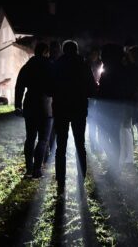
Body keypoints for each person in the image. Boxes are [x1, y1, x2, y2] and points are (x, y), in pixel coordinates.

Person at [52, 40, 97, 193]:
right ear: (76, 50)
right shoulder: (83, 65)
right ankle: (81, 177)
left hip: (60, 108)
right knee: (80, 144)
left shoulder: (57, 65)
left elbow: (49, 88)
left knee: (61, 146)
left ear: (64, 50)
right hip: (78, 108)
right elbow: (92, 89)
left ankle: (60, 180)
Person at [14, 42, 54, 179]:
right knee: (43, 139)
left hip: (30, 105)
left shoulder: (27, 67)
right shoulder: (50, 66)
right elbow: (55, 87)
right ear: (45, 52)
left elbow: (19, 86)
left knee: (30, 138)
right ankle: (37, 169)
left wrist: (17, 105)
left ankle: (29, 169)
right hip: (46, 107)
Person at [96, 43, 130, 177]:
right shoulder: (121, 68)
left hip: (108, 109)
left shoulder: (111, 69)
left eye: (103, 54)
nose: (101, 57)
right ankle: (115, 167)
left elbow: (106, 90)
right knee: (113, 137)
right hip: (116, 108)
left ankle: (114, 167)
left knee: (107, 137)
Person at [44, 40, 62, 163]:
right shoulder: (49, 63)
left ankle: (50, 152)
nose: (55, 51)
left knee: (53, 129)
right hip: (49, 100)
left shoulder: (50, 63)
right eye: (54, 49)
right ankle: (47, 153)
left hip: (56, 100)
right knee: (48, 129)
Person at [86, 46, 103, 154]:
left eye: (96, 54)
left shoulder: (101, 64)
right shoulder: (86, 64)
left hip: (100, 95)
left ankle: (100, 145)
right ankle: (93, 144)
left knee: (100, 122)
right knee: (92, 122)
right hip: (90, 96)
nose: (94, 56)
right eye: (93, 53)